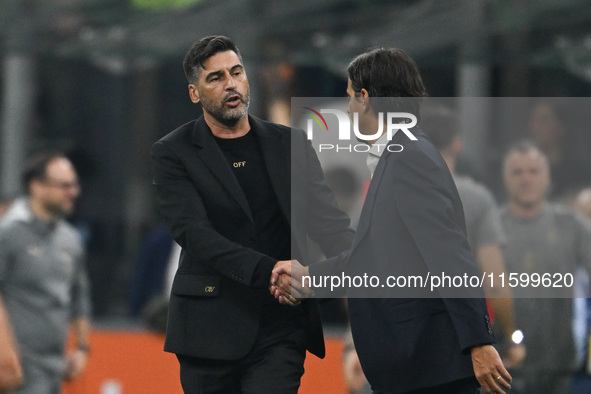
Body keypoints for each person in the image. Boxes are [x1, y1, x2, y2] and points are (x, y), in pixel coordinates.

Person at [272, 47, 511, 393]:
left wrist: (479, 342)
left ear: (366, 98)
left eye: (351, 98)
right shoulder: (399, 155)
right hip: (418, 369)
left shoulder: (409, 157)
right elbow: (372, 258)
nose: (350, 109)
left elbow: (449, 254)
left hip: (430, 369)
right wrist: (309, 278)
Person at [150, 35, 354, 393]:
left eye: (236, 72)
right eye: (215, 78)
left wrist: (330, 274)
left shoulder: (291, 144)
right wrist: (270, 271)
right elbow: (194, 233)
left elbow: (331, 226)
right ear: (194, 93)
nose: (230, 84)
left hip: (281, 327)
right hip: (208, 329)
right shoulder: (173, 152)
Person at [421, 105, 525, 367]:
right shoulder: (477, 200)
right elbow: (496, 281)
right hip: (464, 341)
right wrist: (512, 338)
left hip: (406, 336)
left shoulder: (390, 195)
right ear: (457, 144)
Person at [499, 142, 591, 394]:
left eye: (533, 171)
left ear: (547, 177)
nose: (525, 179)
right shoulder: (491, 228)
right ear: (505, 179)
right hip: (504, 364)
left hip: (560, 364)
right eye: (517, 172)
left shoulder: (571, 225)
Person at [0, 151, 91, 394]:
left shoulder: (70, 239)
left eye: (74, 185)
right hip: (18, 367)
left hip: (55, 367)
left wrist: (82, 348)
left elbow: (79, 297)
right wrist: (4, 355)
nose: (73, 192)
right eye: (64, 186)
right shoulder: (9, 235)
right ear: (37, 187)